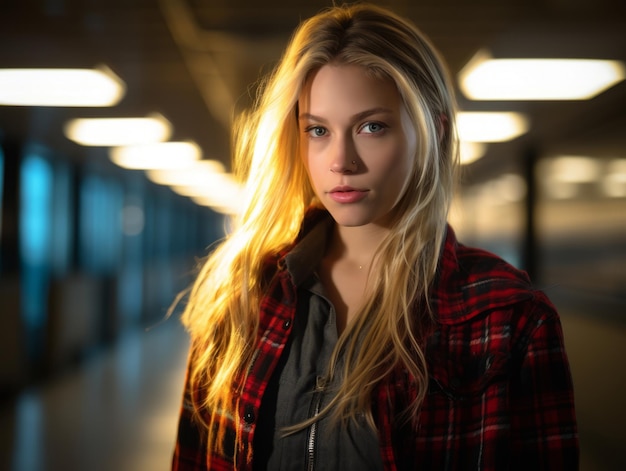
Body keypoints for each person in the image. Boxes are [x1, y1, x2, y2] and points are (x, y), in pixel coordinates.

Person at [171, 3, 579, 470]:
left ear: (432, 131)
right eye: (318, 130)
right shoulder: (245, 294)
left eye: (372, 127)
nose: (341, 160)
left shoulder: (508, 317)